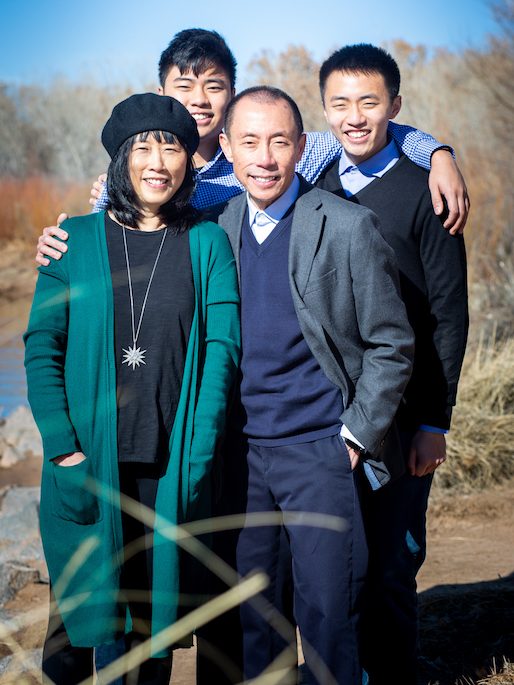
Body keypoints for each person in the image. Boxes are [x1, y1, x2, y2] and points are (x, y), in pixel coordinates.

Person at [24, 92, 240, 685]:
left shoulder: (206, 243)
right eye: (143, 148)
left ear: (189, 162)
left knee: (151, 634)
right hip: (90, 464)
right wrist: (62, 448)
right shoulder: (73, 241)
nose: (158, 162)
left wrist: (198, 456)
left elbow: (221, 351)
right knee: (80, 623)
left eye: (172, 149)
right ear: (120, 159)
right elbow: (42, 349)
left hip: (168, 469)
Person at [207, 85, 414, 684]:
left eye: (279, 142)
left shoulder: (346, 225)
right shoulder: (216, 228)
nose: (264, 158)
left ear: (302, 147)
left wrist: (353, 437)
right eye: (249, 142)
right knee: (256, 618)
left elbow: (392, 343)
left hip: (320, 450)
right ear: (227, 148)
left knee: (329, 614)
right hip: (243, 456)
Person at [35, 28, 469, 269]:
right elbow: (97, 247)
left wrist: (438, 155)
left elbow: (358, 130)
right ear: (162, 93)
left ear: (233, 93)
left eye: (214, 87)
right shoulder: (140, 176)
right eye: (184, 86)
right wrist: (59, 249)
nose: (199, 101)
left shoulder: (276, 152)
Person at [316, 44, 468, 684]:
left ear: (395, 107)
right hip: (326, 418)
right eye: (340, 104)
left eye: (369, 102)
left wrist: (435, 421)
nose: (354, 117)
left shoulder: (424, 190)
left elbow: (448, 314)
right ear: (324, 111)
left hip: (405, 416)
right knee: (335, 565)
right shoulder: (311, 186)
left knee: (393, 564)